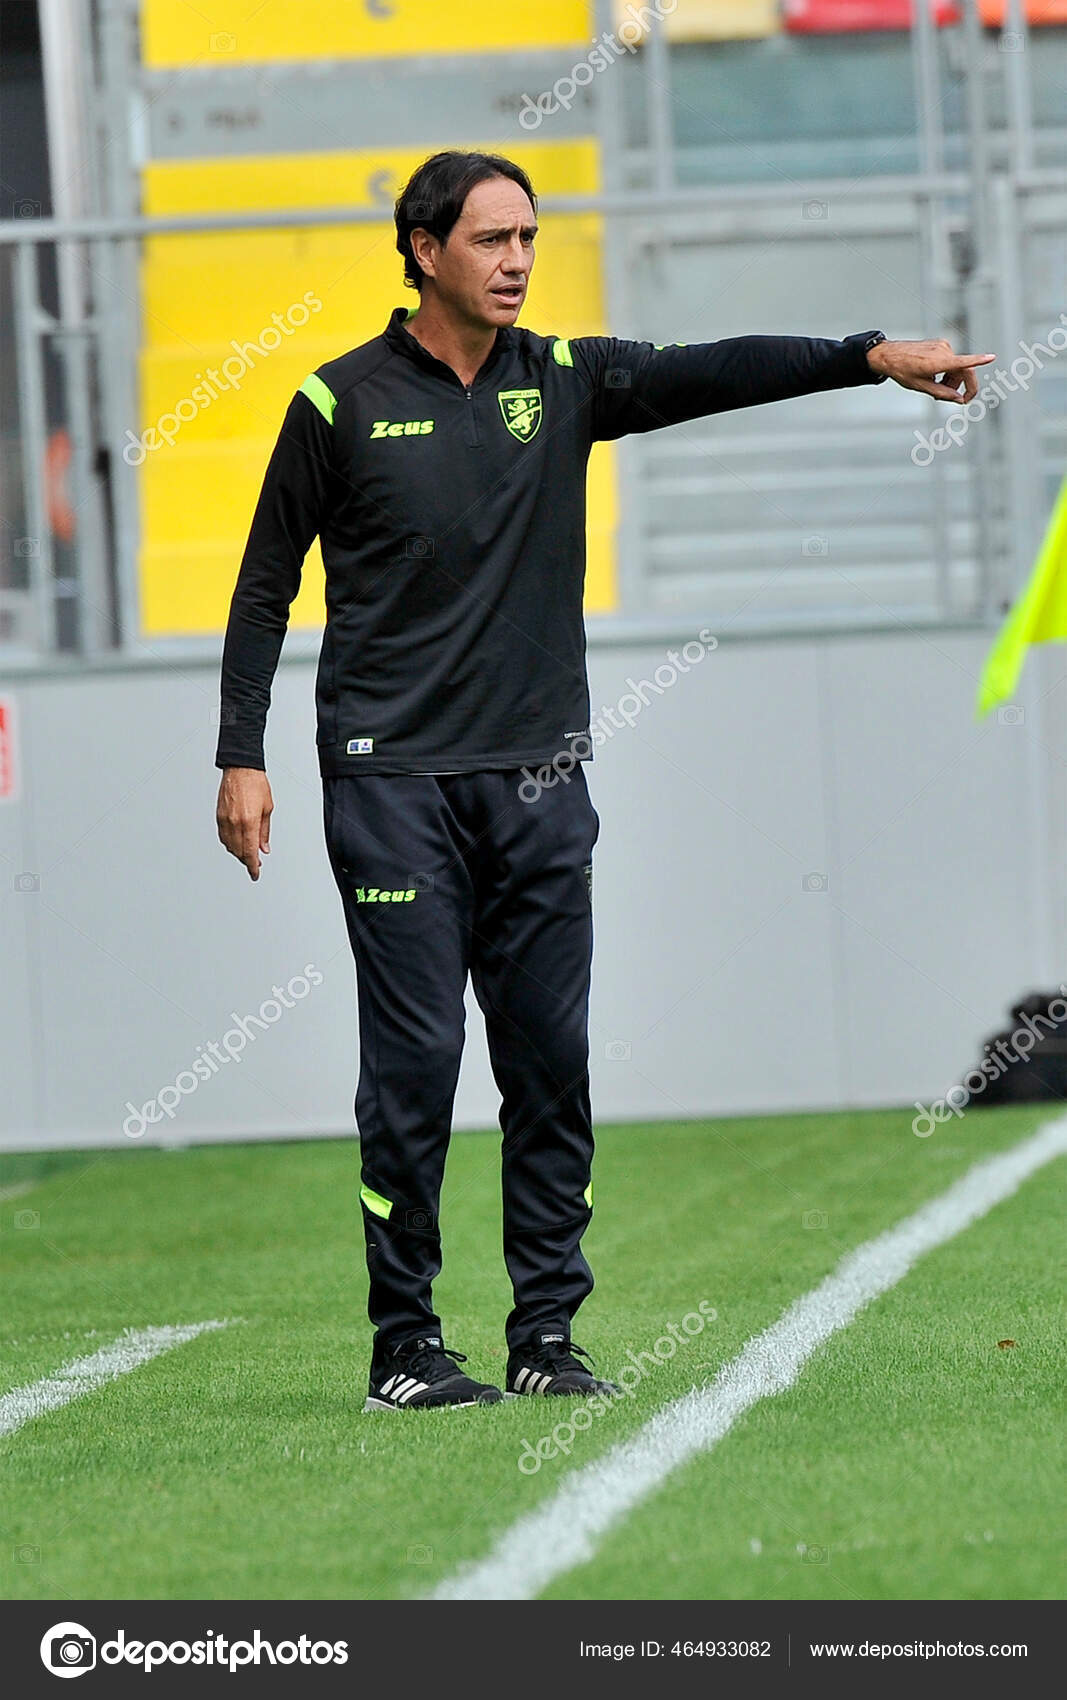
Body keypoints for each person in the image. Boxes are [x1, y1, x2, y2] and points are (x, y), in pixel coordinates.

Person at [215, 149, 994, 1412]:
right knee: (413, 1069)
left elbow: (714, 370)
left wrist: (865, 354)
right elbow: (262, 588)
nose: (518, 259)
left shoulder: (563, 379)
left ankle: (543, 1334)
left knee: (549, 1061)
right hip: (390, 782)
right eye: (490, 239)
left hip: (535, 784)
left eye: (529, 235)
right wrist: (238, 753)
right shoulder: (335, 401)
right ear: (424, 250)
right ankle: (404, 1341)